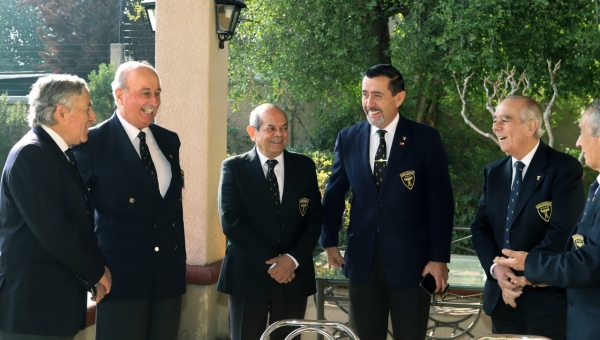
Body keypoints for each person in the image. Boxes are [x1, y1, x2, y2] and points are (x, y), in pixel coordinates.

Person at [320, 64, 454, 340]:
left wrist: (438, 258)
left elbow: (441, 203)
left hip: (413, 264)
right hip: (362, 262)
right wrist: (329, 241)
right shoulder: (347, 138)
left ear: (399, 98)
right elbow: (334, 194)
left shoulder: (425, 139)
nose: (369, 103)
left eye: (377, 95)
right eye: (365, 94)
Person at [73, 61, 186, 340]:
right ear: (119, 94)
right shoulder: (92, 144)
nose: (154, 101)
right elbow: (77, 215)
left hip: (167, 279)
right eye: (145, 93)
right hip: (120, 280)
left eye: (157, 93)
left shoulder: (169, 141)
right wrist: (92, 271)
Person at [0, 74, 112, 339]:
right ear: (61, 112)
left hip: (48, 309)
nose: (93, 117)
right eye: (86, 108)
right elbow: (56, 230)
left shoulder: (52, 153)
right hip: (32, 313)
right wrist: (96, 272)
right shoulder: (32, 155)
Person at [470, 95, 584, 339]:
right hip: (502, 297)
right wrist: (497, 271)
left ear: (531, 126)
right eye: (494, 120)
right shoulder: (494, 172)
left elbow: (563, 232)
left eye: (505, 119)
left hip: (546, 302)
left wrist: (521, 277)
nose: (496, 126)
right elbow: (480, 227)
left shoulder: (564, 169)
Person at [217, 103, 324, 340]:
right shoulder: (234, 168)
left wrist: (291, 260)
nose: (279, 134)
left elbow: (315, 218)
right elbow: (231, 221)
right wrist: (274, 264)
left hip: (293, 277)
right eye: (271, 128)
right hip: (247, 276)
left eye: (284, 128)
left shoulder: (304, 166)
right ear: (252, 132)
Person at [495, 99, 600, 340]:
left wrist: (531, 265)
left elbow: (591, 262)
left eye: (583, 133)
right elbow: (579, 247)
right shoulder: (597, 187)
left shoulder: (564, 170)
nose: (578, 142)